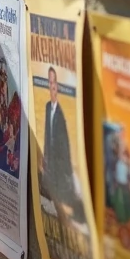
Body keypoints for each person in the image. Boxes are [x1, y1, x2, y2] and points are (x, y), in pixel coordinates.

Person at [41, 67, 78, 212]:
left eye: (54, 82)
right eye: (50, 82)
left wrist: (66, 170)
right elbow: (46, 133)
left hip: (59, 165)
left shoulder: (61, 114)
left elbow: (65, 144)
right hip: (49, 161)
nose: (52, 86)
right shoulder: (47, 107)